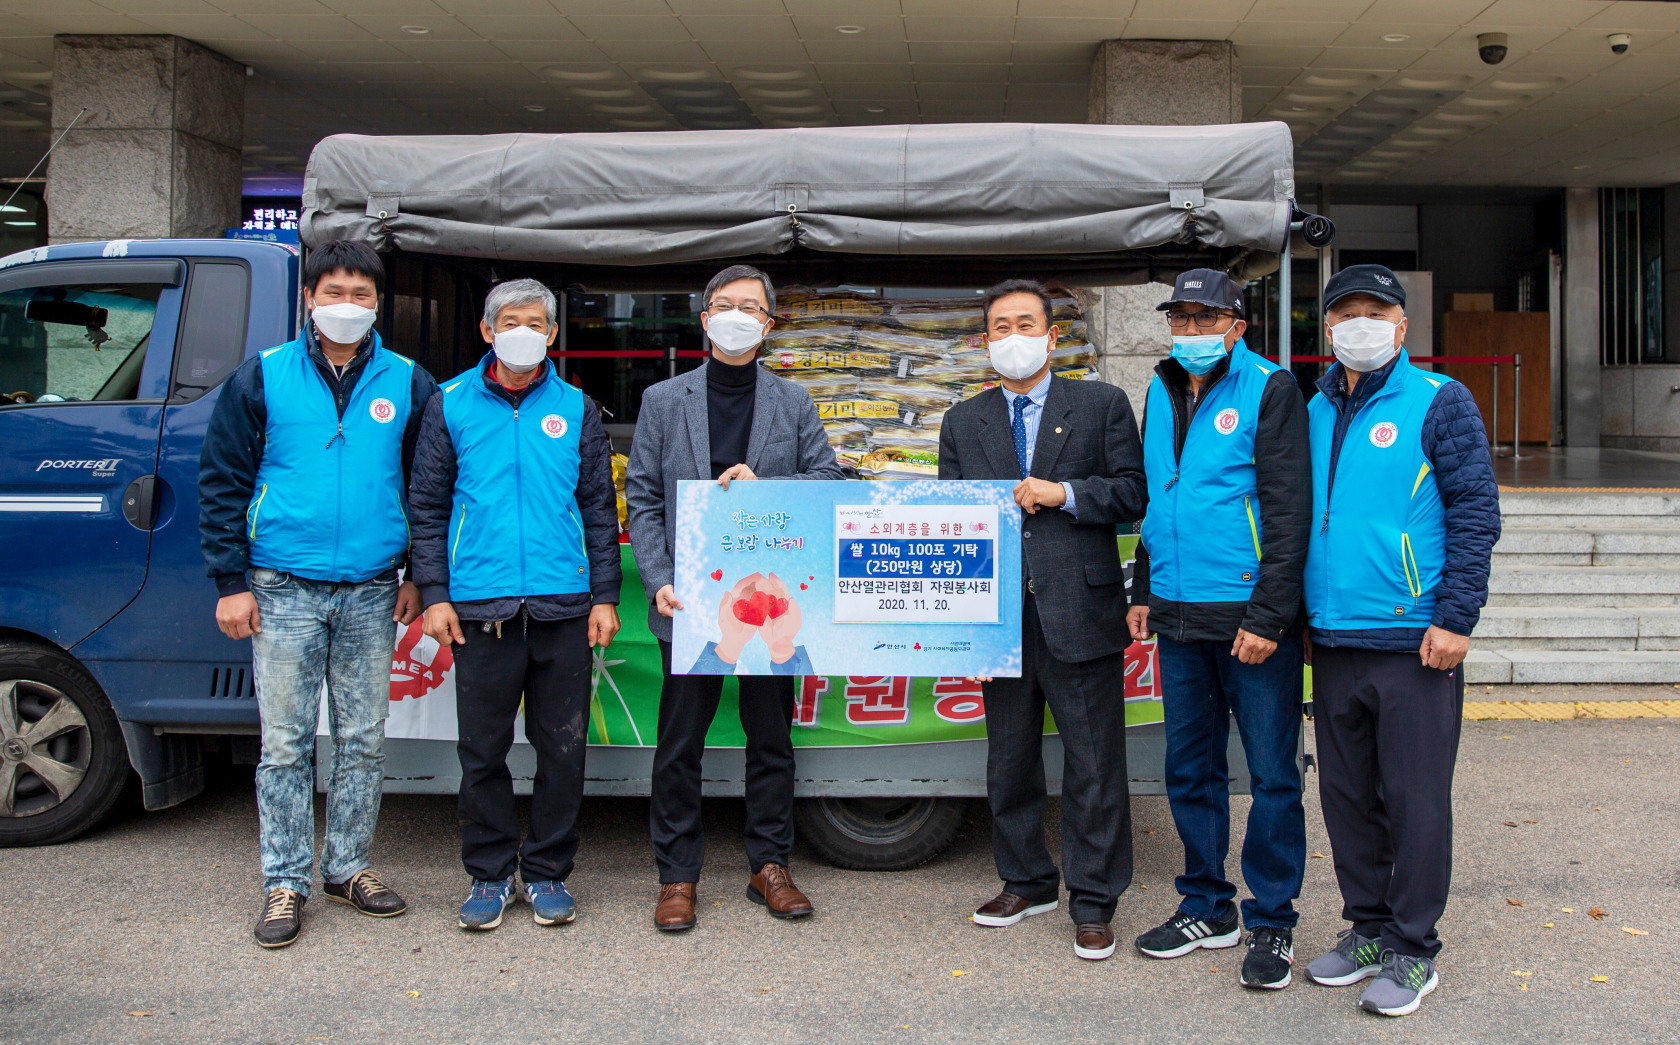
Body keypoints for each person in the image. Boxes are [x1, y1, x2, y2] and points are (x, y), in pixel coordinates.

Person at [199, 239, 436, 949]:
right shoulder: (262, 377)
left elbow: (429, 490)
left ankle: (349, 866)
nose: (347, 306)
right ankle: (285, 880)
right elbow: (222, 481)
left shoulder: (408, 380)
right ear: (309, 298)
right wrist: (229, 582)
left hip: (371, 589)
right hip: (281, 587)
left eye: (361, 295)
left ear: (377, 304)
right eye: (333, 292)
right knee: (286, 743)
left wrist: (421, 572)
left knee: (362, 739)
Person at [1298, 265, 1500, 1016]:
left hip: (1416, 639)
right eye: (1344, 311)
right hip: (1335, 638)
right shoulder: (1310, 408)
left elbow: (1476, 511)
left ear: (1402, 325)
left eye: (1374, 311)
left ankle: (1415, 948)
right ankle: (1370, 928)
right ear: (1327, 328)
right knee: (1347, 796)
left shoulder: (1439, 402)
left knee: (1415, 800)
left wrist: (1456, 617)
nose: (1359, 323)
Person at [625, 264, 842, 932]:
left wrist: (766, 481)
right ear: (705, 317)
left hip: (772, 597)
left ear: (770, 324)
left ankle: (769, 864)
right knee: (679, 742)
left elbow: (828, 478)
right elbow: (645, 496)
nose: (738, 315)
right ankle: (677, 875)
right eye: (726, 305)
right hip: (692, 602)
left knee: (771, 736)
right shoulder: (664, 400)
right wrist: (660, 577)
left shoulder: (793, 400)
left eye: (752, 307)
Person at [937, 278, 1148, 962]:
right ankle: (1026, 879)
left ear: (1052, 335)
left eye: (1026, 322)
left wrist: (1065, 494)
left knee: (1093, 761)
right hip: (999, 615)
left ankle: (1093, 898)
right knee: (1010, 759)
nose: (1013, 336)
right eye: (1000, 326)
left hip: (1079, 608)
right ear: (986, 340)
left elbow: (1132, 493)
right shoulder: (963, 420)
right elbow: (949, 517)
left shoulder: (1101, 404)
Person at [408, 278, 622, 931]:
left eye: (536, 322)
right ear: (486, 330)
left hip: (563, 605)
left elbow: (596, 507)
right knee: (482, 751)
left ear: (553, 334)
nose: (523, 330)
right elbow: (426, 507)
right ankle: (490, 873)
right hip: (481, 609)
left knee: (563, 749)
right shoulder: (449, 405)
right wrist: (436, 594)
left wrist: (606, 595)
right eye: (511, 320)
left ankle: (551, 870)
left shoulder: (579, 408)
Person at [1124, 269, 1312, 989]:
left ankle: (1274, 919)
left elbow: (1288, 511)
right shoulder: (1162, 387)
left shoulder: (1270, 389)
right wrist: (1143, 585)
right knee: (1190, 767)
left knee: (1270, 774)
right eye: (1183, 318)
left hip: (1249, 619)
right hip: (1175, 611)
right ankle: (1206, 903)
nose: (1193, 331)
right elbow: (1158, 497)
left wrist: (1270, 614)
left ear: (1237, 325)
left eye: (1207, 319)